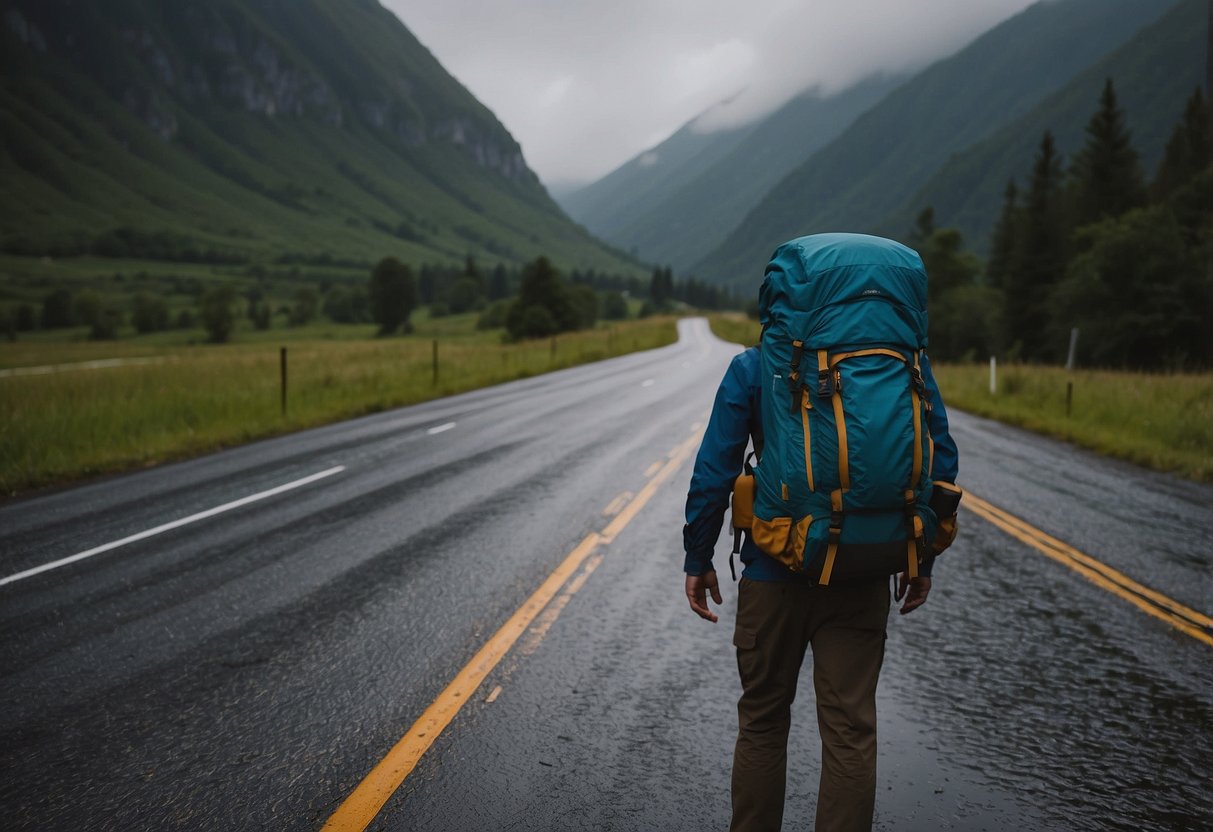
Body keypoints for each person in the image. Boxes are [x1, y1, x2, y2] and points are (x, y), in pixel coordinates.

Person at [683, 342, 959, 832]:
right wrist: (923, 558)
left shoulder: (755, 366)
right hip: (862, 571)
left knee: (763, 724)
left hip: (772, 575)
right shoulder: (902, 364)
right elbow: (938, 462)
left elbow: (714, 470)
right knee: (851, 733)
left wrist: (698, 555)